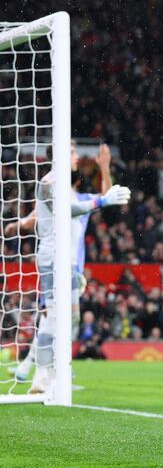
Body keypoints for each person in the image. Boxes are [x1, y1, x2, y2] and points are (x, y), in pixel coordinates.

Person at [6, 142, 130, 392]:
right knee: (53, 317)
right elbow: (67, 209)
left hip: (70, 263)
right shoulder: (50, 182)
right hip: (53, 258)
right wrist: (101, 201)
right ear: (61, 156)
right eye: (72, 152)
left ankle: (55, 372)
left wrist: (104, 170)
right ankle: (40, 375)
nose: (77, 157)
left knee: (69, 316)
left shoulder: (72, 191)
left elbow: (103, 197)